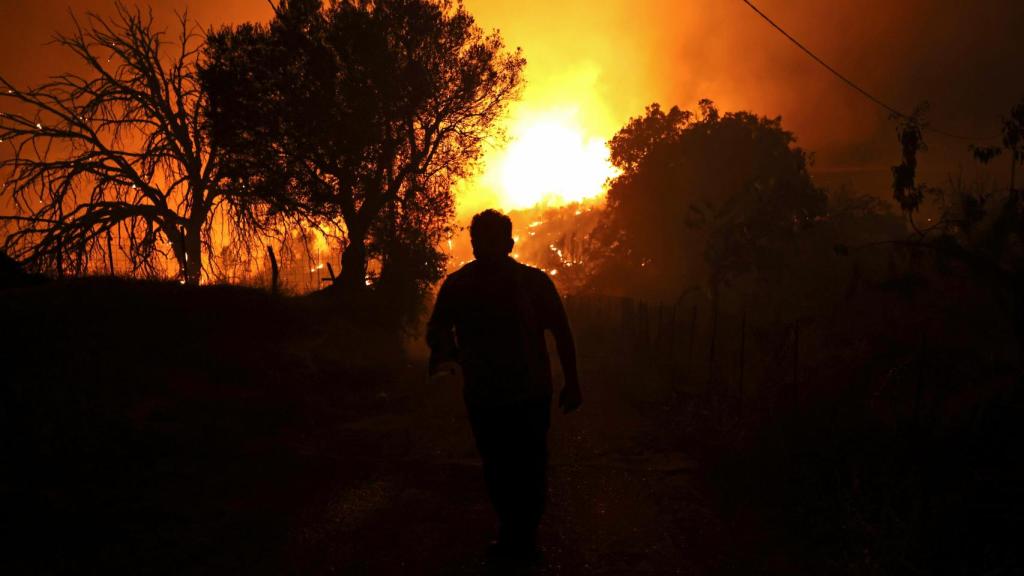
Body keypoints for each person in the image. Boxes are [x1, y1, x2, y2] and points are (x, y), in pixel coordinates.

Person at [427, 209, 582, 558]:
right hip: (523, 392)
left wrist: (447, 353)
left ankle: (516, 535)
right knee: (525, 465)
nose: (488, 248)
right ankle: (521, 536)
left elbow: (436, 330)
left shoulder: (460, 284)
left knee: (502, 466)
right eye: (484, 241)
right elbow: (562, 333)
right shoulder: (533, 282)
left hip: (493, 395)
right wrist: (572, 383)